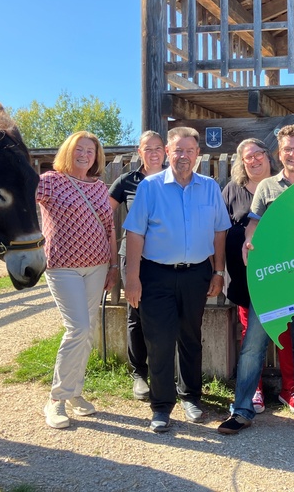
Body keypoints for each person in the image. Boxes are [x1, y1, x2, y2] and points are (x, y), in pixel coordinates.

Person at [218, 125, 294, 435]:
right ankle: (241, 411)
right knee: (253, 344)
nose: (291, 154)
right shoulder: (267, 186)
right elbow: (253, 225)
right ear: (279, 154)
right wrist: (248, 243)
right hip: (271, 282)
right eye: (286, 150)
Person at [123, 126, 230, 433]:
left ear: (198, 154)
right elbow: (135, 233)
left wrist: (219, 272)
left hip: (196, 274)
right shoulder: (150, 187)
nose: (184, 156)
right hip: (155, 275)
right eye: (178, 150)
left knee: (191, 338)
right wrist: (132, 278)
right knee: (159, 341)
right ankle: (161, 406)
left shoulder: (209, 187)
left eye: (190, 151)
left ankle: (191, 396)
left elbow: (219, 232)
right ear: (167, 152)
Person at [37, 131, 118, 429]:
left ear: (97, 156)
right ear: (68, 151)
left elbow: (109, 228)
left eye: (90, 151)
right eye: (79, 149)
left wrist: (112, 265)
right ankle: (56, 400)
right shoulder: (49, 181)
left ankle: (75, 392)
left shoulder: (99, 187)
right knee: (78, 328)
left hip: (97, 266)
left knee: (89, 329)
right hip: (63, 267)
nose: (85, 155)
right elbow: (18, 195)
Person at [221, 138, 294, 414]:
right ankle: (255, 391)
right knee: (249, 333)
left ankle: (290, 390)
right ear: (241, 163)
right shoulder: (232, 190)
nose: (253, 160)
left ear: (268, 156)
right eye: (247, 157)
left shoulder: (283, 186)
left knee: (284, 331)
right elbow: (220, 230)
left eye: (258, 154)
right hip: (245, 276)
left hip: (280, 274)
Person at [109, 131, 172, 401]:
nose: (154, 152)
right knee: (136, 314)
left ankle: (171, 373)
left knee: (169, 315)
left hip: (166, 260)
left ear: (166, 150)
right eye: (149, 148)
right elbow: (103, 213)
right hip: (133, 258)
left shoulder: (175, 179)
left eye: (159, 147)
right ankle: (139, 374)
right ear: (140, 151)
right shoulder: (128, 180)